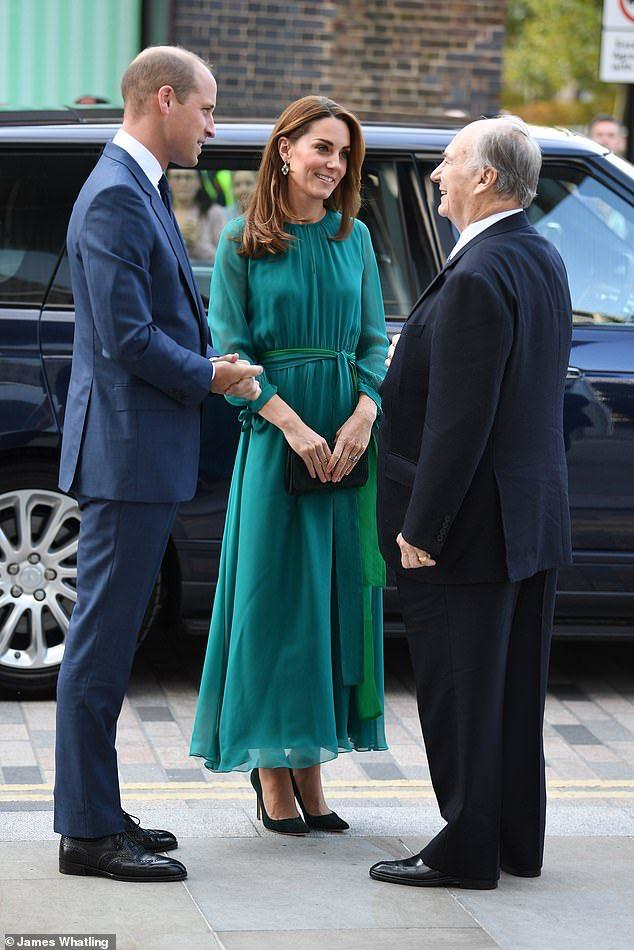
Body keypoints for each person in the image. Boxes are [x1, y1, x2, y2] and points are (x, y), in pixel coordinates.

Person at [54, 46, 262, 884]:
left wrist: (212, 356)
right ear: (165, 99)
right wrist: (211, 374)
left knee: (114, 640)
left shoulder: (134, 185)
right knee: (100, 647)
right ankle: (88, 835)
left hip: (141, 451)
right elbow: (126, 339)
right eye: (207, 110)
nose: (213, 128)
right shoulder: (113, 195)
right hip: (127, 456)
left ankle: (95, 811)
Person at [369, 116, 572, 889]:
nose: (436, 176)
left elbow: (462, 418)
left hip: (467, 528)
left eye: (450, 162)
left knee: (460, 694)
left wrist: (423, 525)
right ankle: (515, 842)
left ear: (485, 178)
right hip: (527, 518)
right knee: (511, 693)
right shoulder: (538, 256)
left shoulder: (481, 272)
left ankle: (464, 850)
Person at [190, 96, 388, 833]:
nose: (333, 166)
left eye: (343, 155)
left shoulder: (355, 238)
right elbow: (232, 355)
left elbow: (374, 342)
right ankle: (272, 770)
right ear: (284, 151)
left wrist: (364, 414)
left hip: (345, 442)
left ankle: (311, 764)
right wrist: (292, 425)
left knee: (331, 604)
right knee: (276, 605)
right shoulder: (242, 241)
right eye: (321, 149)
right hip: (277, 442)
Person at [167, 168, 225, 262]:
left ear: (199, 182)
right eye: (177, 177)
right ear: (168, 181)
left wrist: (196, 244)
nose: (183, 182)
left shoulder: (214, 213)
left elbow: (223, 259)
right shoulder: (160, 210)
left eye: (188, 177)